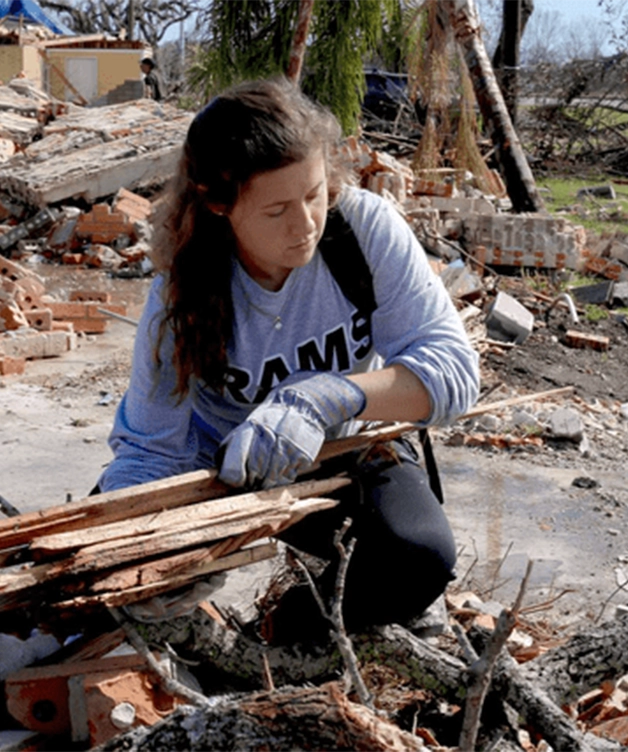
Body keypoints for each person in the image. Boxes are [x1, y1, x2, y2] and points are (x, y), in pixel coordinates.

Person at [97, 76, 479, 637]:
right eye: (276, 211)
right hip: (217, 464)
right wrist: (148, 548)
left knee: (418, 559)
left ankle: (277, 637)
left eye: (313, 194)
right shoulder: (181, 289)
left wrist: (327, 396)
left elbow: (453, 372)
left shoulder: (362, 231)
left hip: (342, 449)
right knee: (103, 584)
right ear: (218, 204)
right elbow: (151, 448)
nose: (305, 226)